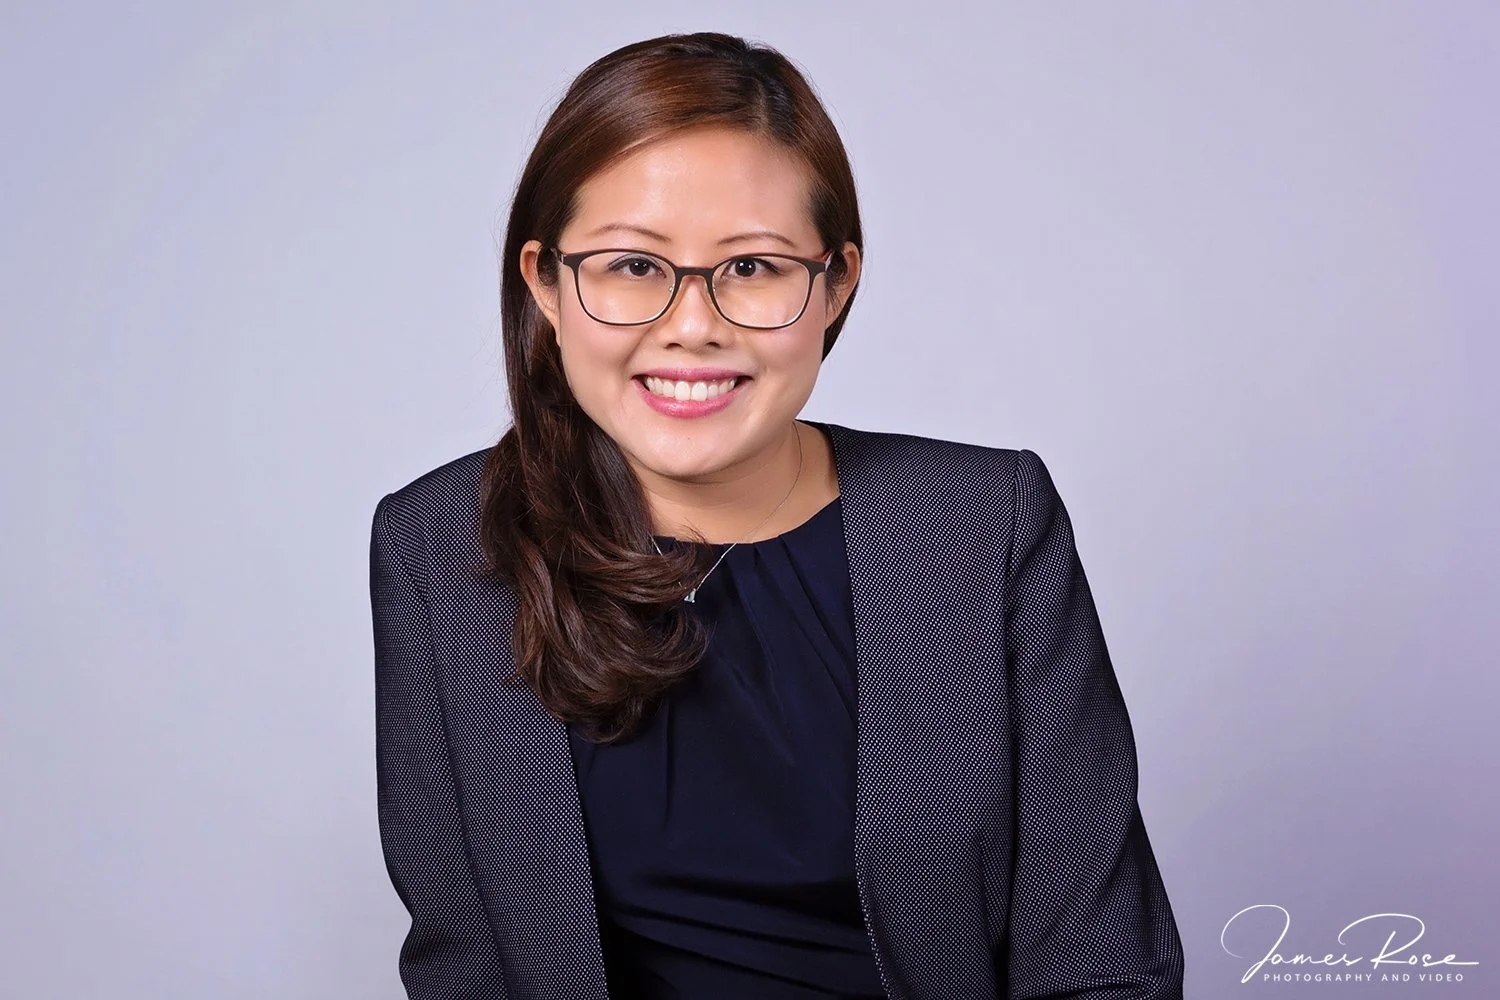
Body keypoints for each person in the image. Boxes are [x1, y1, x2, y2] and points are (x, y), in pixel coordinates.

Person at [369, 30, 1185, 1000]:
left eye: (752, 268)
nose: (692, 324)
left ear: (835, 281)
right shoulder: (434, 548)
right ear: (545, 282)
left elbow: (1104, 964)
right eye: (632, 265)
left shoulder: (987, 530)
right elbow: (465, 965)